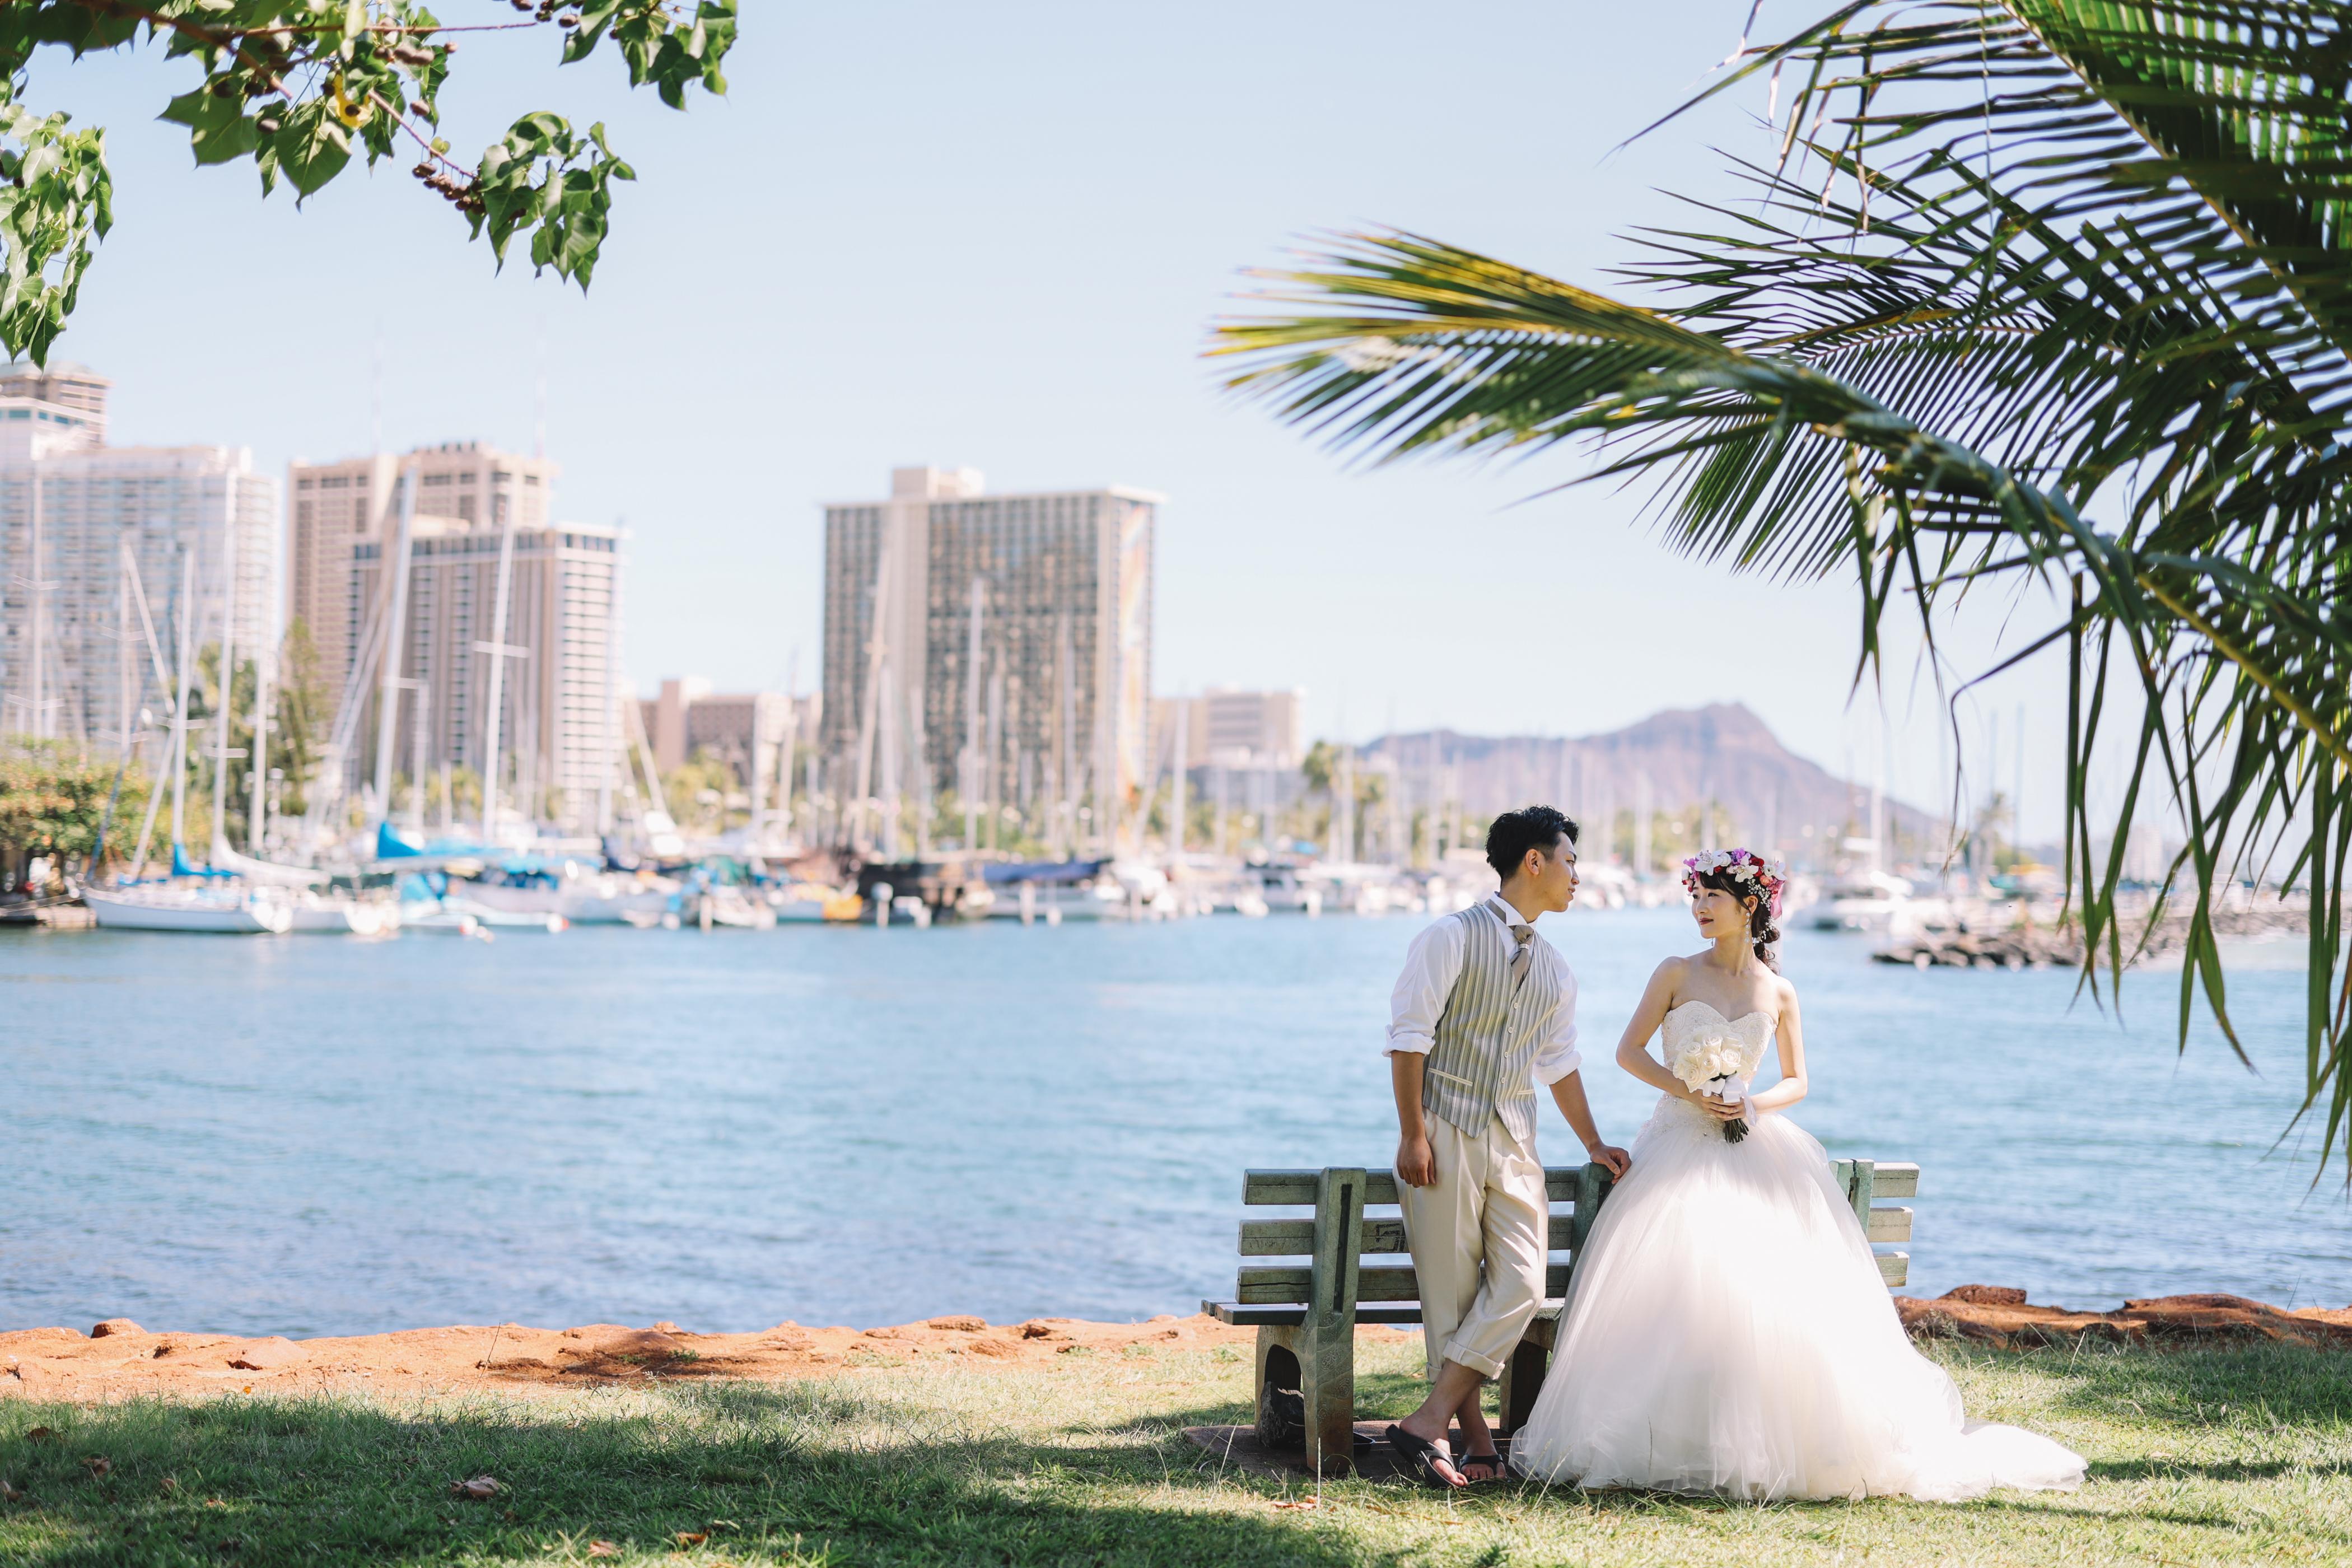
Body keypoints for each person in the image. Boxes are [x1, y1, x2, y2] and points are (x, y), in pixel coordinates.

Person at [1510, 848, 2087, 1500]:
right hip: (1679, 1138)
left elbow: (1798, 1080)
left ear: (1748, 906)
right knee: (1679, 1288)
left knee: (1764, 1297)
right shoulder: (1675, 972)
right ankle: (1668, 1437)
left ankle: (1767, 1443)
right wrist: (1690, 1090)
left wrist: (1750, 1103)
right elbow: (1627, 1051)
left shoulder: (1778, 990)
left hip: (1754, 1141)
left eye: (1711, 897)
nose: (1698, 907)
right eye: (1694, 897)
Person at [1383, 805, 1630, 1488]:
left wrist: (1593, 1140)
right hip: (1445, 1129)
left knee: (1521, 1284)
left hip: (1515, 1136)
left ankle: (1424, 1423)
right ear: (1535, 861)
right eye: (1571, 860)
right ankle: (1475, 1445)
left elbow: (1560, 1062)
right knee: (1453, 1298)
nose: (1578, 875)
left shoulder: (1556, 968)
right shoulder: (1449, 937)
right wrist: (1413, 1132)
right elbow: (1410, 1039)